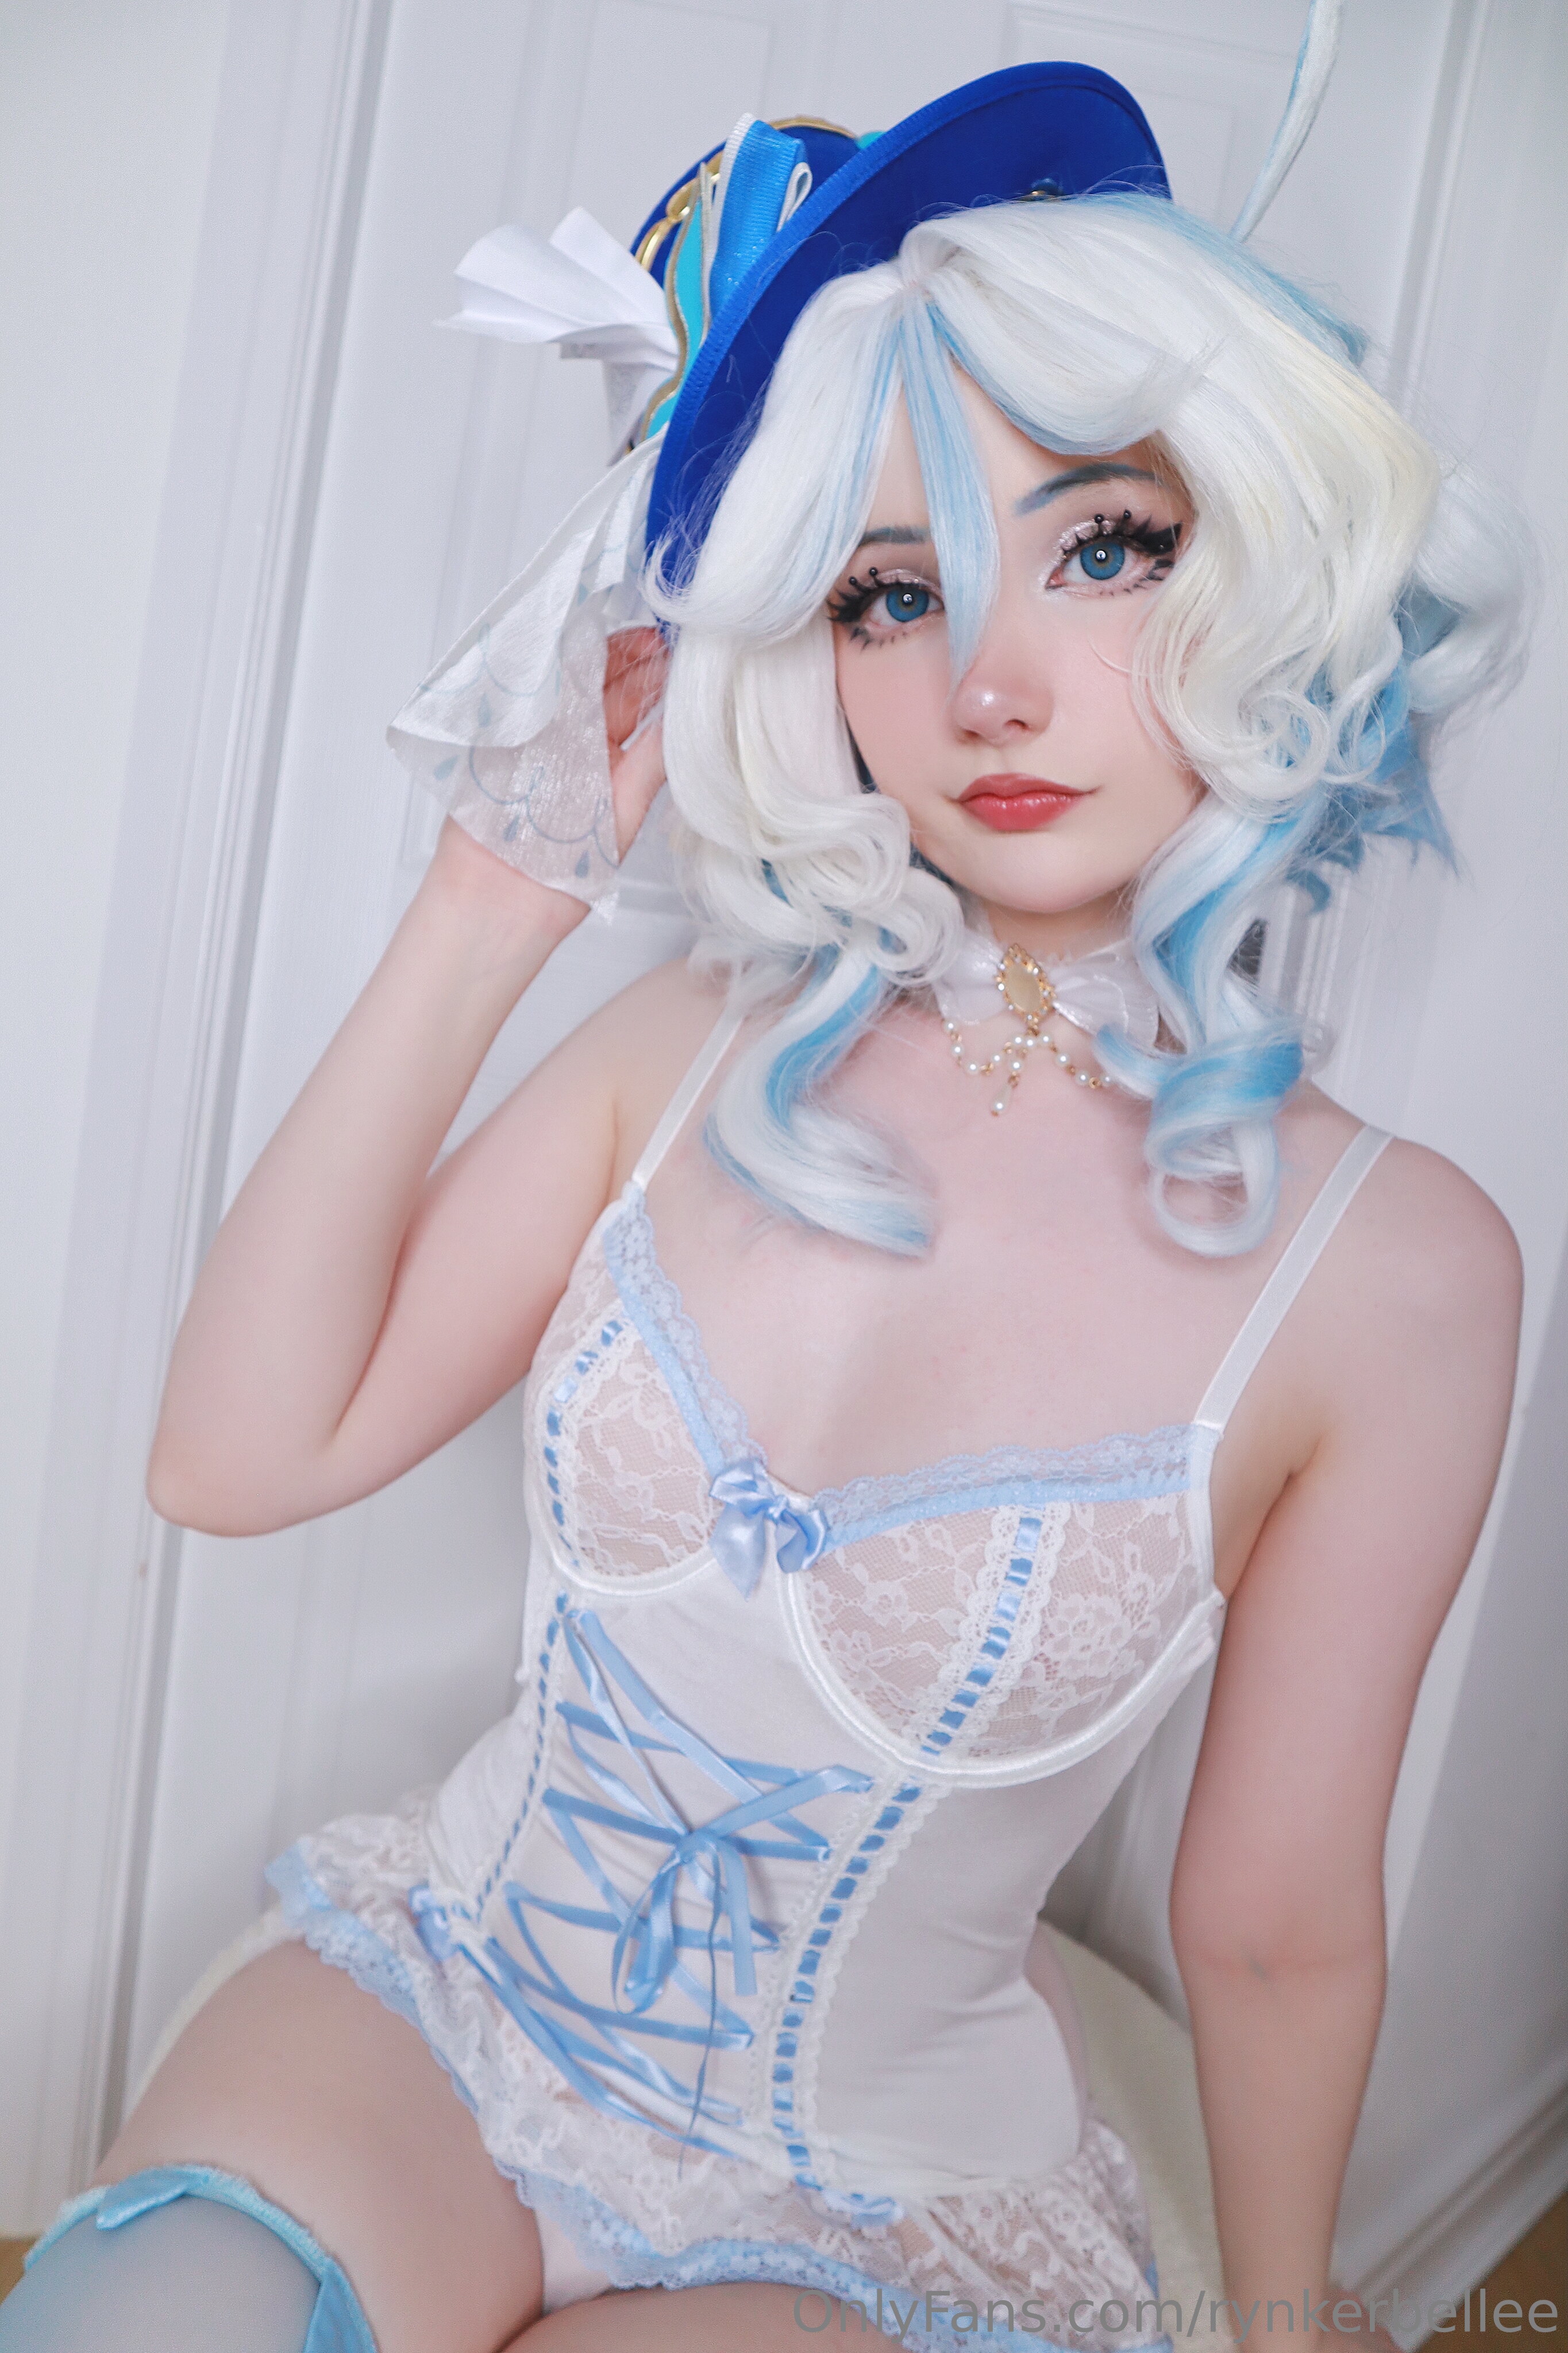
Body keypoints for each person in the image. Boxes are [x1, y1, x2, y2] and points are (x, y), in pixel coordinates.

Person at [1, 57, 1525, 2353]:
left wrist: (1293, 2322)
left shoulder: (1391, 1271)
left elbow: (1274, 1920)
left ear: (1263, 559)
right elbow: (232, 1457)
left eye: (1102, 548)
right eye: (889, 590)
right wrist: (491, 899)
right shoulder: (693, 1045)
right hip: (453, 2010)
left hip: (870, 2195)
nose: (984, 680)